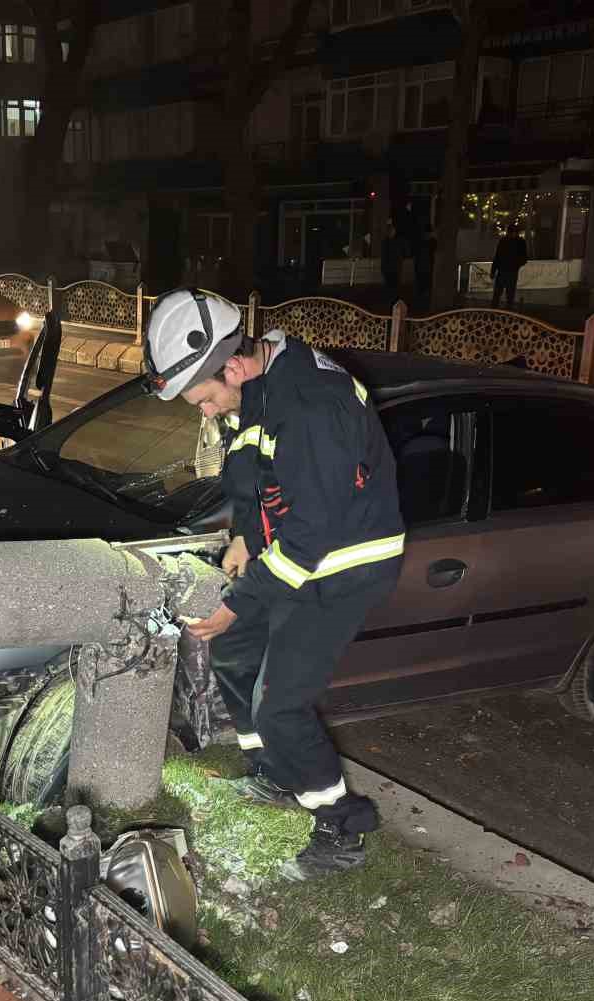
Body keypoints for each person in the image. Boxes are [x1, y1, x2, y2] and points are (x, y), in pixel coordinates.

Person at [144, 290, 405, 880]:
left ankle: (342, 826)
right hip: (298, 551)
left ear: (233, 365)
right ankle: (276, 771)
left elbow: (310, 538)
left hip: (343, 566)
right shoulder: (264, 385)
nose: (206, 413)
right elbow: (256, 475)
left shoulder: (312, 405)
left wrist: (239, 602)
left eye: (206, 399)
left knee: (280, 702)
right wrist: (242, 535)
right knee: (235, 652)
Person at [491, 224, 529, 309]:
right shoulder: (520, 242)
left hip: (503, 270)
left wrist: (493, 271)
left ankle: (494, 312)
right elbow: (524, 258)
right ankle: (507, 313)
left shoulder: (504, 241)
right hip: (511, 271)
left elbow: (497, 257)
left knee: (498, 294)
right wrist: (516, 265)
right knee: (509, 295)